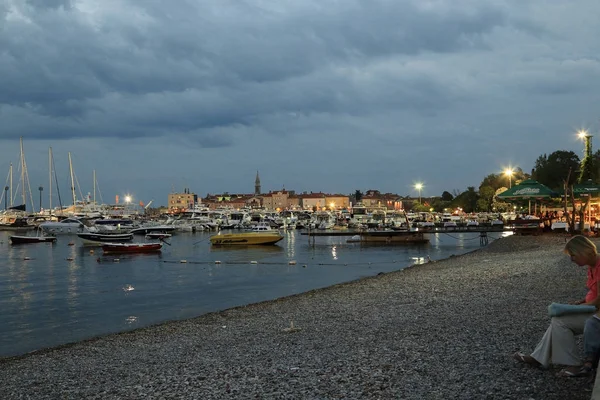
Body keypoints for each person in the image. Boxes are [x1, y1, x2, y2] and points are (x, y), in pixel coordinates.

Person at [513, 235, 600, 376]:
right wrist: (581, 302)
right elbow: (595, 293)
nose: (572, 259)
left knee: (560, 322)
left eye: (573, 255)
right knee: (558, 320)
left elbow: (598, 302)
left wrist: (573, 309)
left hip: (596, 315)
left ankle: (572, 364)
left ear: (583, 251)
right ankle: (538, 357)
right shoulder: (593, 265)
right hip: (593, 310)